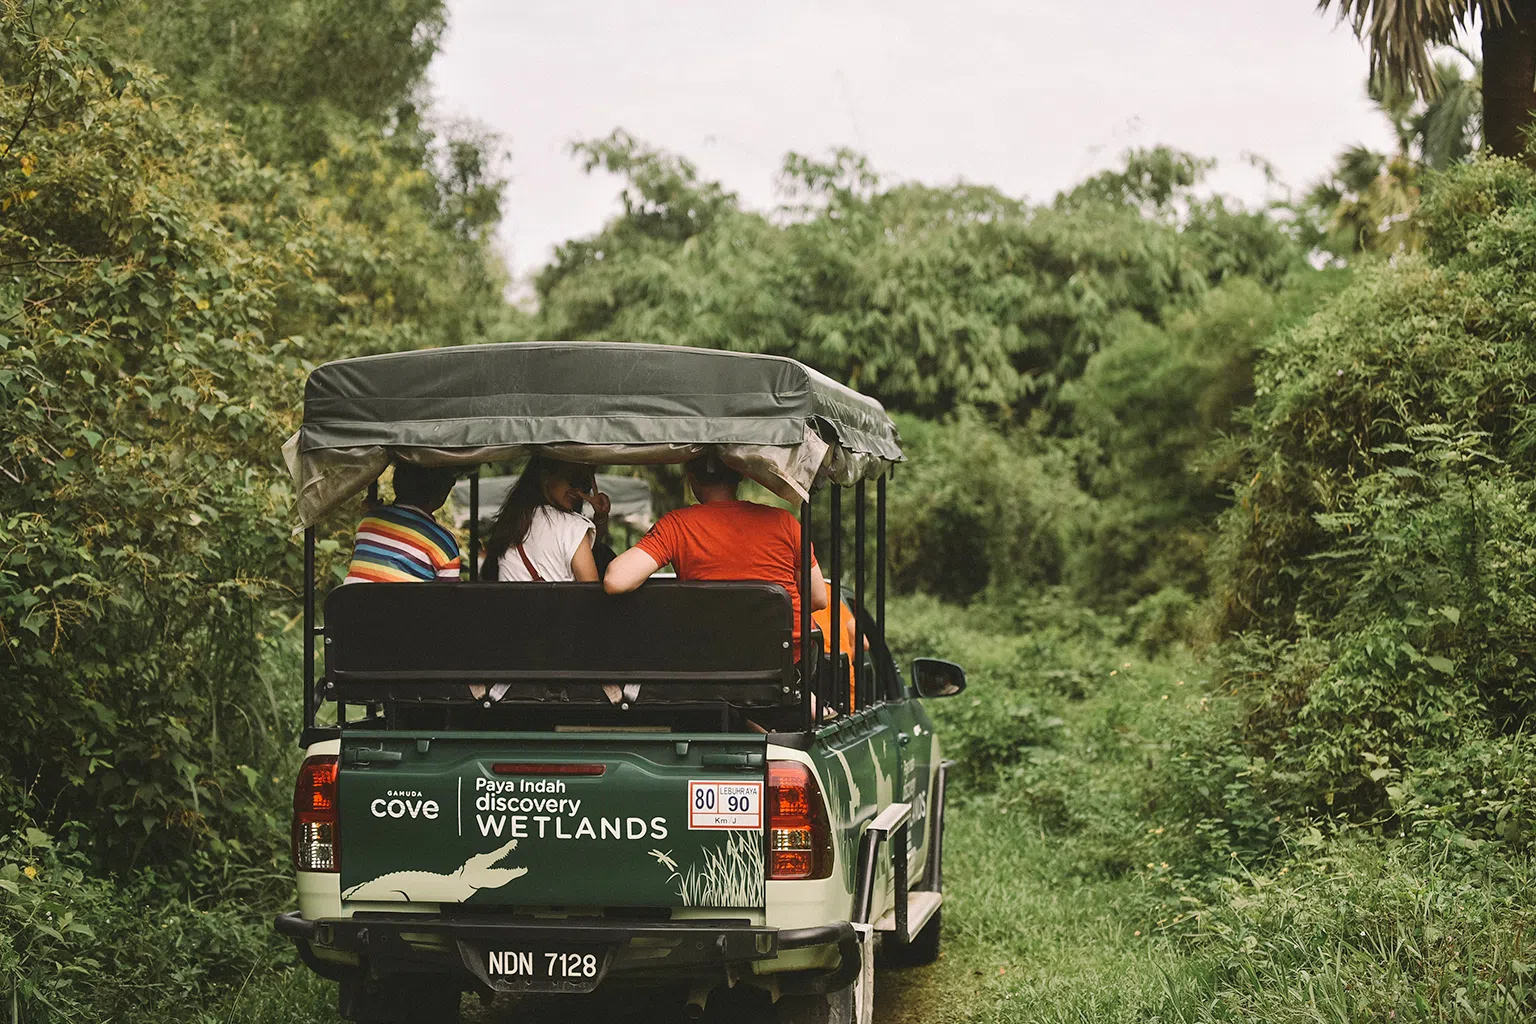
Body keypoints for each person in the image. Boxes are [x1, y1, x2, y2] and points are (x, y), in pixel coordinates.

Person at [604, 454, 829, 633]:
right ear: (740, 476)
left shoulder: (677, 526)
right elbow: (817, 599)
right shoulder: (785, 523)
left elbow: (616, 581)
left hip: (711, 663)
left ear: (692, 479)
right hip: (786, 664)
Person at [481, 456, 612, 582]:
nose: (578, 490)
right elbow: (590, 598)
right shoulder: (574, 528)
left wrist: (600, 517)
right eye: (573, 479)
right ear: (545, 477)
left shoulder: (510, 525)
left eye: (584, 484)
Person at [343, 462, 461, 583]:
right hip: (405, 602)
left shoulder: (368, 522)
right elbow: (449, 598)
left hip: (351, 602)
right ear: (442, 493)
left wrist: (371, 514)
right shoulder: (444, 542)